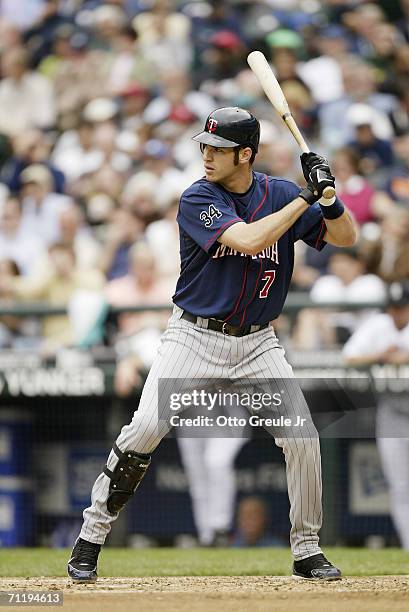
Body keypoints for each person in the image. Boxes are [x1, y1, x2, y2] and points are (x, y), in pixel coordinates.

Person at [68, 106, 356, 582]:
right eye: (205, 146)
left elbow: (346, 236)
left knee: (302, 438)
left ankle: (307, 550)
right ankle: (91, 537)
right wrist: (307, 196)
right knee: (144, 431)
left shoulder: (280, 193)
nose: (207, 155)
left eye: (219, 149)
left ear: (246, 154)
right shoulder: (198, 196)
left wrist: (329, 197)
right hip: (193, 336)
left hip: (259, 344)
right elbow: (247, 240)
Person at [343, 281, 409, 550]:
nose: (397, 313)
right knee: (400, 486)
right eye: (393, 308)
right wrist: (380, 356)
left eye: (402, 308)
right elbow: (349, 358)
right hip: (392, 410)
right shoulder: (379, 325)